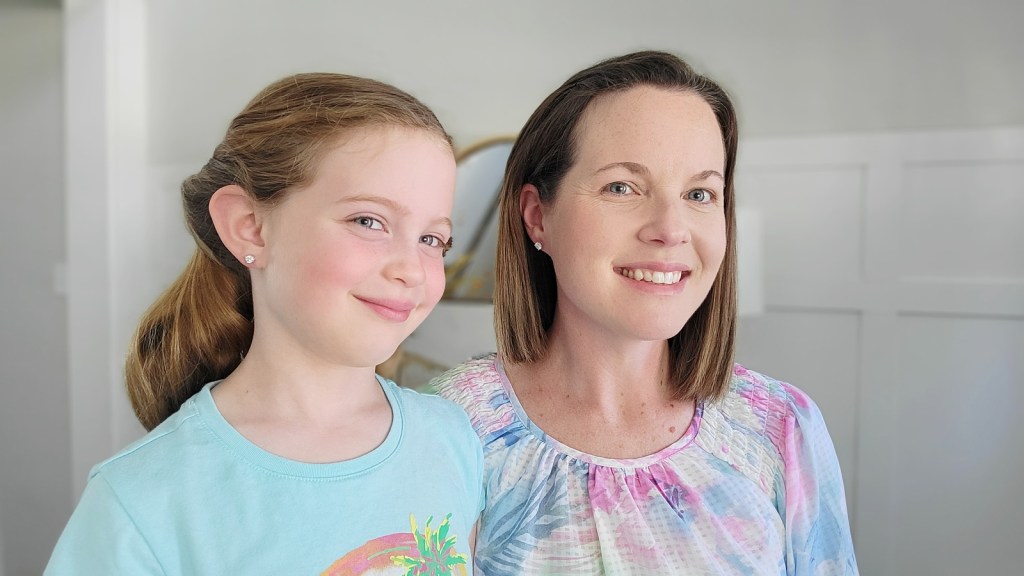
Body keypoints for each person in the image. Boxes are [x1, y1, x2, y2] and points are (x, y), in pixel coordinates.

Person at [432, 51, 858, 574]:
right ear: (538, 216)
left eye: (700, 193)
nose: (671, 228)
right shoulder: (448, 427)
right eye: (622, 187)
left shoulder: (780, 425)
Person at [46, 73, 482, 575]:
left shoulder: (453, 439)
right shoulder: (142, 500)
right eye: (368, 221)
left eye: (433, 239)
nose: (410, 268)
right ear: (249, 226)